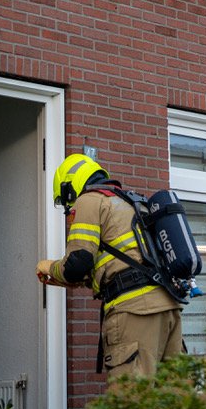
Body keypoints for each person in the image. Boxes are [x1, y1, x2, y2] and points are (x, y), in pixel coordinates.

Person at [36, 153, 183, 383]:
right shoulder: (129, 203)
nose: (69, 210)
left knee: (130, 401)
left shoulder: (89, 200)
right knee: (173, 402)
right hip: (168, 309)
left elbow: (77, 264)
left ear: (69, 188)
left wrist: (49, 267)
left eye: (67, 203)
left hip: (135, 313)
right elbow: (117, 264)